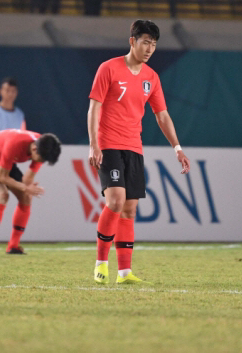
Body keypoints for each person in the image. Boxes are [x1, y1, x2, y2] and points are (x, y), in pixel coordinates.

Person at [88, 19, 190, 285]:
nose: (149, 48)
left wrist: (177, 148)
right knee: (115, 201)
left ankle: (124, 272)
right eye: (145, 42)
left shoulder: (151, 78)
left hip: (134, 146)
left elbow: (162, 115)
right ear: (132, 41)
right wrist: (93, 144)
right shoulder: (108, 68)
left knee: (130, 209)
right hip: (108, 143)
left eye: (154, 44)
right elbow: (94, 107)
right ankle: (100, 264)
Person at [0, 129, 61, 254]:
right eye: (41, 159)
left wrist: (27, 188)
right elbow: (3, 177)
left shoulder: (43, 147)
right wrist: (25, 187)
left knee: (26, 198)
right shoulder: (15, 145)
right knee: (2, 195)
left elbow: (27, 179)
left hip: (5, 161)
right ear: (34, 149)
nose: (41, 162)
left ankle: (13, 246)